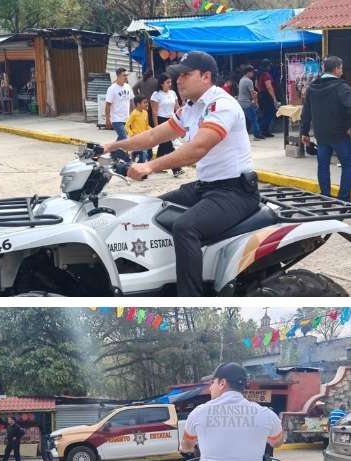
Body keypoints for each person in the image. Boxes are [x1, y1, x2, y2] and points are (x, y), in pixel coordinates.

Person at [102, 51, 260, 297]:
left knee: (185, 227)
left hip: (235, 192)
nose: (179, 80)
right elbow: (155, 135)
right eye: (178, 75)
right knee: (151, 209)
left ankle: (191, 298)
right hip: (206, 188)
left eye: (186, 75)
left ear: (206, 77)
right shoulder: (191, 107)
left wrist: (149, 166)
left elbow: (196, 149)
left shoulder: (222, 105)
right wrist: (114, 146)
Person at [172, 363, 289, 461]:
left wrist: (184, 447)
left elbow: (186, 446)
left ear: (222, 383)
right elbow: (277, 442)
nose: (210, 388)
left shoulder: (199, 413)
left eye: (212, 383)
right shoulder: (265, 413)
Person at [300, 56, 351, 202]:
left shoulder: (312, 87)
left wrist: (304, 132)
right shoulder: (341, 87)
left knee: (323, 165)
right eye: (341, 67)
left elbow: (305, 112)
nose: (342, 70)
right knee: (347, 165)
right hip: (340, 134)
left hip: (321, 135)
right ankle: (343, 199)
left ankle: (325, 197)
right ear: (336, 69)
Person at [150, 74, 185, 177]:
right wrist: (156, 126)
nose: (170, 84)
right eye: (167, 82)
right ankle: (176, 168)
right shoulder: (156, 95)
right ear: (161, 84)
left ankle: (156, 166)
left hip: (172, 120)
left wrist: (181, 120)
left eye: (170, 82)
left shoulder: (173, 93)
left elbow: (177, 107)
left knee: (164, 145)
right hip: (161, 120)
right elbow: (154, 111)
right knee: (169, 145)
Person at [105, 68, 135, 141]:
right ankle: (118, 151)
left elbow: (131, 101)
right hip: (116, 119)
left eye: (126, 75)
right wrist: (107, 119)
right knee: (124, 138)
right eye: (124, 75)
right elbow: (108, 104)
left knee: (121, 138)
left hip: (127, 118)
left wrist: (133, 115)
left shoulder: (128, 87)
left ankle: (113, 151)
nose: (126, 77)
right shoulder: (112, 89)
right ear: (118, 76)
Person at [238, 65, 264, 140]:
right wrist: (256, 102)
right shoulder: (249, 81)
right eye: (252, 72)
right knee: (254, 119)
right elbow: (253, 93)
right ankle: (257, 135)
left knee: (244, 120)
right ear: (248, 72)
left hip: (240, 102)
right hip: (246, 103)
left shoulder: (242, 79)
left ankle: (243, 135)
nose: (253, 74)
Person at [257, 59, 280, 137]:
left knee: (265, 113)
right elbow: (269, 87)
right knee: (270, 113)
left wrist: (260, 91)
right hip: (267, 95)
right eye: (269, 65)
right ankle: (262, 130)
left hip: (261, 95)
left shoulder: (259, 74)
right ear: (267, 66)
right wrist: (274, 98)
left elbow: (256, 85)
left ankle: (265, 131)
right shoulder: (266, 75)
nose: (270, 67)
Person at [126, 97, 152, 163]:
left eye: (147, 102)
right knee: (142, 153)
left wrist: (152, 130)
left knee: (146, 154)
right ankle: (138, 165)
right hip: (136, 138)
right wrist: (131, 134)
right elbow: (127, 126)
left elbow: (146, 125)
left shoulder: (145, 113)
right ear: (138, 104)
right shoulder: (134, 113)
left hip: (144, 138)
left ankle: (136, 159)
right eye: (144, 102)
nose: (147, 104)